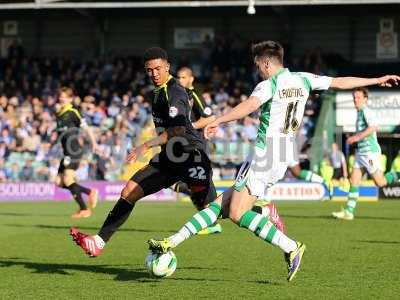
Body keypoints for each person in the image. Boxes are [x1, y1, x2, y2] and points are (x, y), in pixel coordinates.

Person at [148, 40, 400, 282]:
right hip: (282, 153)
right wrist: (377, 79)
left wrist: (218, 120)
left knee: (236, 212)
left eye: (258, 66)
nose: (258, 71)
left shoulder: (269, 84)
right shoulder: (303, 78)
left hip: (264, 153)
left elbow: (249, 106)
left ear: (267, 64)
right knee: (219, 205)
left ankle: (290, 245)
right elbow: (340, 82)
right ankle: (172, 241)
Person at [70, 47, 223, 257]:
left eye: (158, 69)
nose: (154, 74)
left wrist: (145, 145)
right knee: (128, 192)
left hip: (190, 156)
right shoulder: (157, 93)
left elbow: (177, 130)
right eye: (149, 70)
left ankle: (261, 211)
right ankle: (98, 242)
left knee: (219, 212)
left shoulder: (175, 91)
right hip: (169, 159)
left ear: (167, 67)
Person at [332, 87, 400, 220]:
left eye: (358, 97)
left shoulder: (366, 111)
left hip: (369, 153)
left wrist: (356, 138)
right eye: (354, 97)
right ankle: (349, 212)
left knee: (380, 182)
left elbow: (373, 127)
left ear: (365, 99)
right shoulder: (359, 113)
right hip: (361, 153)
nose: (355, 100)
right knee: (354, 180)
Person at [55, 87, 98, 218]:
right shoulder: (59, 113)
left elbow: (86, 128)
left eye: (65, 97)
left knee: (68, 179)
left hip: (73, 151)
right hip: (66, 152)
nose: (62, 98)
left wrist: (94, 143)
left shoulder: (73, 111)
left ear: (70, 98)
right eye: (61, 96)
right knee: (59, 182)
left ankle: (84, 209)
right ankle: (89, 192)